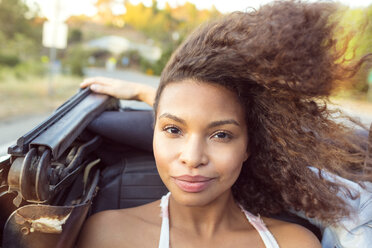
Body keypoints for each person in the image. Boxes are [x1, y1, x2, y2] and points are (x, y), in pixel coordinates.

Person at [77, 1, 372, 247]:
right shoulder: (108, 234)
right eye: (173, 130)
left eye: (221, 135)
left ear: (248, 146)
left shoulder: (295, 243)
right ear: (154, 131)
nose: (192, 158)